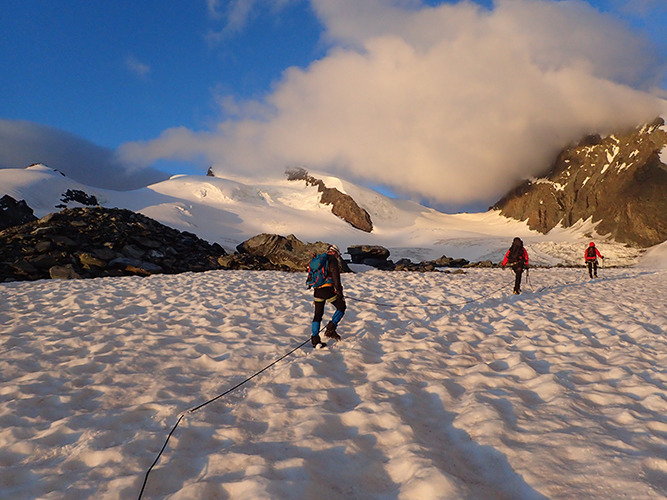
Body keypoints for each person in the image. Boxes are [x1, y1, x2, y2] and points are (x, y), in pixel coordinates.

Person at [311, 244, 346, 348]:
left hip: (317, 290)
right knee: (341, 307)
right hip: (327, 289)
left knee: (318, 314)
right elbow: (336, 277)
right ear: (335, 252)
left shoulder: (319, 260)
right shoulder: (332, 260)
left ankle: (315, 339)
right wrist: (339, 292)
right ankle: (331, 328)